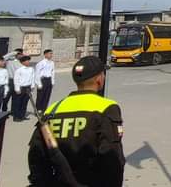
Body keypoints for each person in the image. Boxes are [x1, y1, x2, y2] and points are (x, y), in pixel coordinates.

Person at [28, 56, 125, 187]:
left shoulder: (53, 109)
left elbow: (36, 155)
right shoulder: (106, 108)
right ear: (99, 79)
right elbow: (112, 158)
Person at [13, 55, 35, 121]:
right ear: (22, 62)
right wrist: (17, 89)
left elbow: (32, 78)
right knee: (18, 103)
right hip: (21, 88)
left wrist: (32, 86)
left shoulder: (31, 69)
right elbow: (16, 80)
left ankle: (22, 115)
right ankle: (16, 117)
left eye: (28, 60)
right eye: (26, 61)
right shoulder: (19, 70)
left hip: (28, 87)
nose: (28, 62)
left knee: (25, 102)